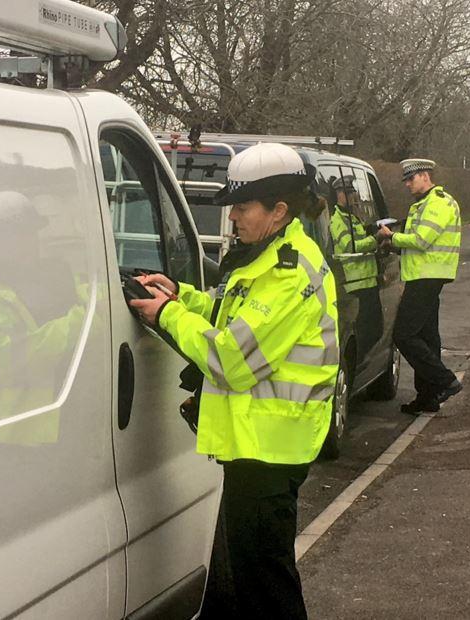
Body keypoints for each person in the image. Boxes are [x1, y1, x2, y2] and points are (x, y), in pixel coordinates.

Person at [129, 143, 339, 620]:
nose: (233, 218)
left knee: (266, 587)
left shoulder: (288, 274)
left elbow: (230, 359)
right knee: (246, 580)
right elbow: (232, 317)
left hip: (270, 450)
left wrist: (166, 315)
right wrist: (179, 293)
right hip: (258, 446)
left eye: (243, 208)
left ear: (279, 210)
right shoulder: (267, 257)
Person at [0, 191, 85, 445]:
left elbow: (85, 292)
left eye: (30, 233)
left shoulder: (40, 276)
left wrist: (118, 294)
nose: (29, 242)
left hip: (53, 427)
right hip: (8, 441)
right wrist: (90, 318)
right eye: (15, 236)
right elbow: (20, 357)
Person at [377, 159, 462, 414]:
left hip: (427, 276)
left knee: (404, 335)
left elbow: (422, 240)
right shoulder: (423, 204)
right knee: (427, 337)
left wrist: (390, 236)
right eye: (405, 180)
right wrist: (394, 242)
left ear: (425, 176)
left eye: (410, 179)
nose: (407, 184)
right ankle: (428, 398)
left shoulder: (437, 203)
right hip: (423, 275)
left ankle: (445, 381)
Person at [328, 175, 383, 359]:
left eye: (353, 193)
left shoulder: (352, 217)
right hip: (355, 284)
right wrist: (375, 240)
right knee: (364, 332)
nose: (352, 197)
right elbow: (350, 246)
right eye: (348, 193)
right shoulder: (338, 220)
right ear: (339, 195)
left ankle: (366, 363)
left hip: (367, 281)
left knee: (374, 329)